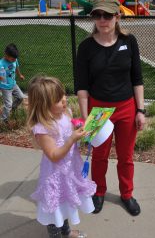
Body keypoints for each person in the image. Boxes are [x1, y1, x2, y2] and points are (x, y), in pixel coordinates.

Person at [76, 0, 145, 216]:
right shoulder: (86, 47)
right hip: (99, 110)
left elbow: (137, 78)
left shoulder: (129, 41)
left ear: (117, 16)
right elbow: (82, 87)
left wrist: (140, 110)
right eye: (98, 15)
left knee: (126, 156)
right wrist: (86, 119)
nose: (102, 20)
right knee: (99, 156)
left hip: (126, 107)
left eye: (107, 15)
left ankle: (127, 194)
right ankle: (98, 192)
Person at [27, 75, 96, 238]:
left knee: (66, 202)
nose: (64, 100)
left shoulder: (66, 113)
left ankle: (66, 231)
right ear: (44, 106)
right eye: (58, 99)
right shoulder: (42, 128)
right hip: (55, 174)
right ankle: (56, 235)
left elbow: (70, 130)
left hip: (70, 168)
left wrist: (80, 131)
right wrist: (72, 138)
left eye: (63, 95)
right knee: (55, 207)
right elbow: (54, 155)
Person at [0, 43, 25, 123]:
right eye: (13, 59)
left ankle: (12, 109)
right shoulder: (1, 64)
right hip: (5, 87)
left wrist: (20, 75)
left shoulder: (15, 59)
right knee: (8, 104)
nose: (14, 60)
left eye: (15, 59)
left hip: (13, 84)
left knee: (20, 97)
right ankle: (3, 120)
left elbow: (16, 67)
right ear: (6, 55)